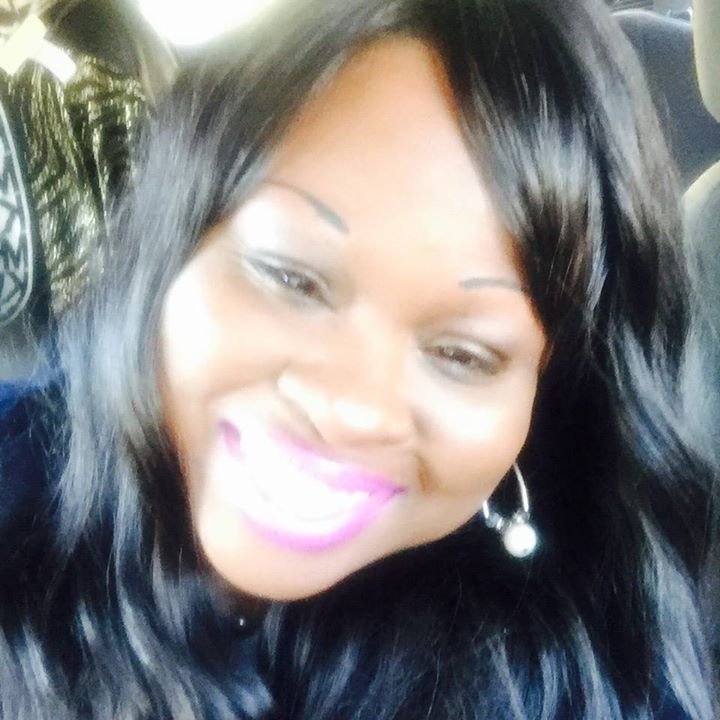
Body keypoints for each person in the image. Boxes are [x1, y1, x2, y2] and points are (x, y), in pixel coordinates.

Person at [0, 0, 717, 717]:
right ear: (173, 246)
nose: (352, 408)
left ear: (544, 403)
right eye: (291, 278)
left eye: (462, 354)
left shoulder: (599, 669)